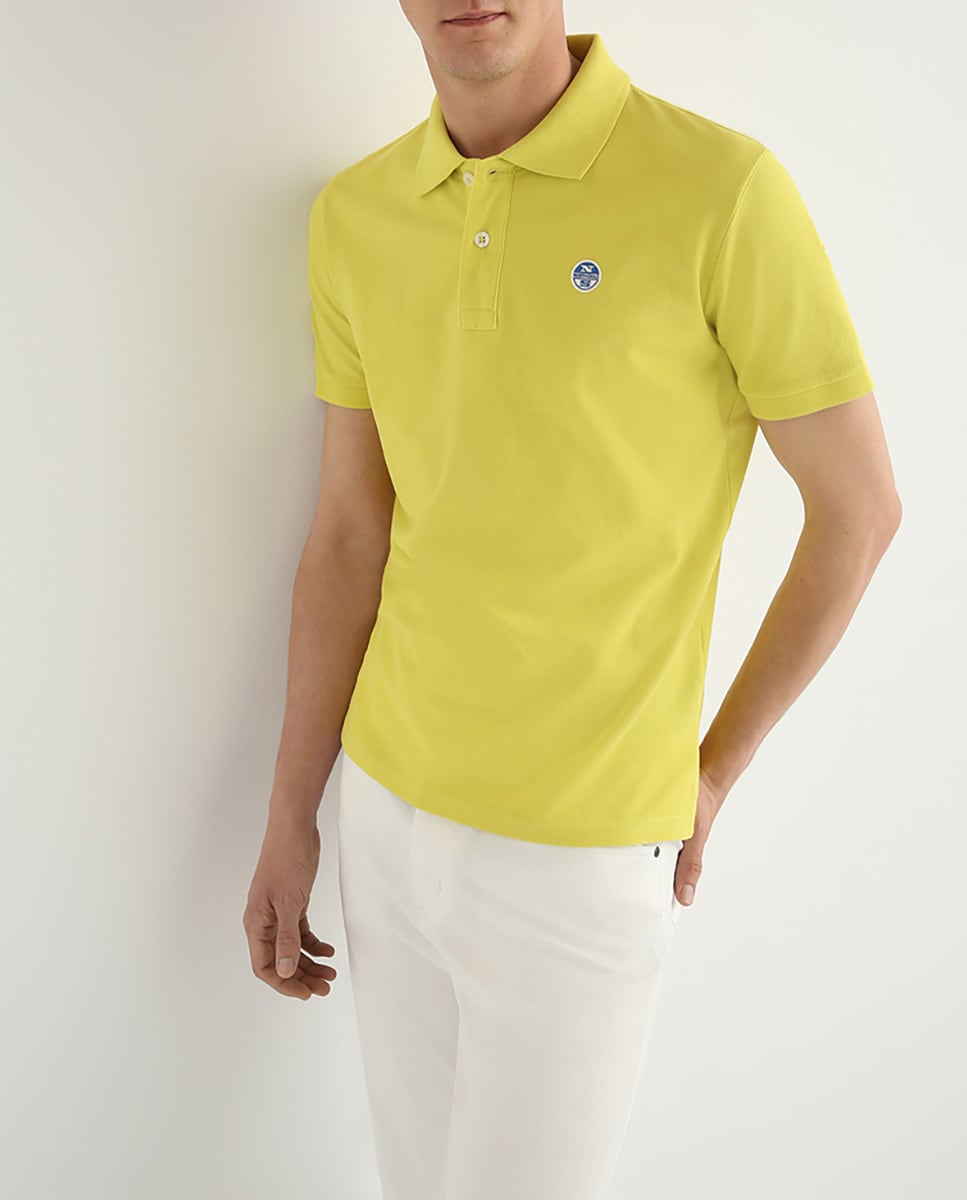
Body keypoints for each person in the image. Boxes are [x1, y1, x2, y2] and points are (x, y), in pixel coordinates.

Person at [244, 3, 902, 1197]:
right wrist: (293, 812)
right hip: (383, 816)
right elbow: (348, 536)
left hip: (581, 853)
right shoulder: (355, 215)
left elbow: (857, 512)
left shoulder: (722, 191)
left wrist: (713, 772)